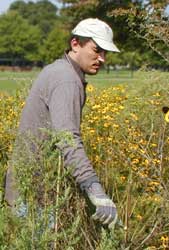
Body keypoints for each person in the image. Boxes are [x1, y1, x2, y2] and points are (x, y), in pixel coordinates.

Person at [4, 18, 120, 228]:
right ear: (75, 44)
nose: (102, 58)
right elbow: (67, 138)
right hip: (33, 190)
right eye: (96, 50)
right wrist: (95, 189)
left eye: (105, 53)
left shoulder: (58, 69)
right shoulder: (67, 79)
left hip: (28, 184)